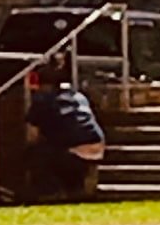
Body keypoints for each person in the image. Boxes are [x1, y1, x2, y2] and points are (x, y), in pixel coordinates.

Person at [24, 60, 106, 199]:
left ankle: (49, 193)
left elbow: (33, 136)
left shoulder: (42, 100)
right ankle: (80, 187)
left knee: (35, 153)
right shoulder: (78, 95)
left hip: (74, 149)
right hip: (97, 144)